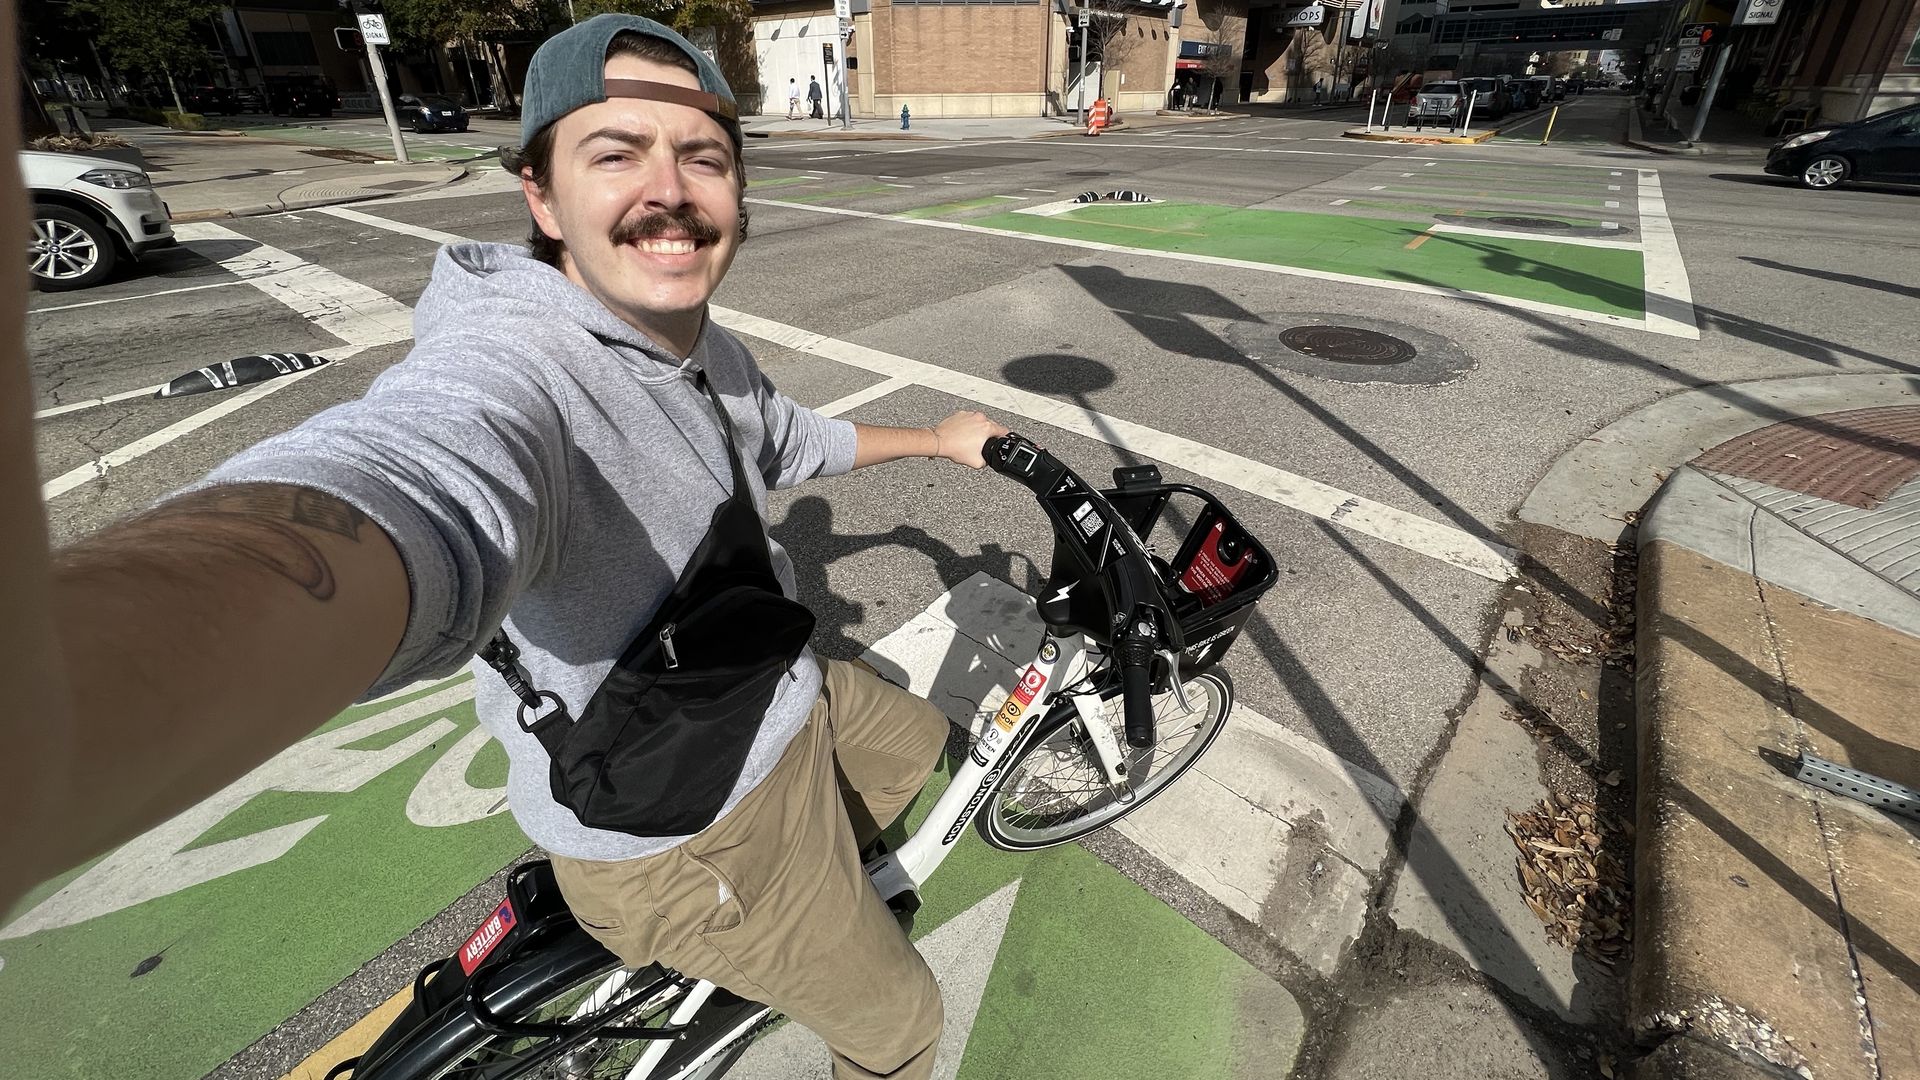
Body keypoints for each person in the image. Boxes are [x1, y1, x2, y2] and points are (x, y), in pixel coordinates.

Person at [15, 14, 1007, 1080]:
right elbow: (412, 483)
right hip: (692, 819)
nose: (669, 188)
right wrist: (69, 687)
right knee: (902, 1024)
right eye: (616, 152)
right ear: (542, 198)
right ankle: (795, 962)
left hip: (772, 695)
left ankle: (804, 932)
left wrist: (942, 442)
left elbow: (790, 437)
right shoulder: (520, 370)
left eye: (703, 155)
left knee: (914, 745)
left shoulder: (696, 340)